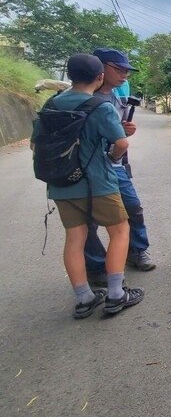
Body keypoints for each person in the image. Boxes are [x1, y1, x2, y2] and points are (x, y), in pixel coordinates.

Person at [42, 54, 144, 318]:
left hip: (62, 184)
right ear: (100, 77)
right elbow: (121, 144)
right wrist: (110, 159)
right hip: (98, 182)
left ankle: (84, 298)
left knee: (75, 238)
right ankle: (115, 294)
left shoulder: (51, 104)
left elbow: (35, 144)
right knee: (120, 231)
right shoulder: (100, 106)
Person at [84, 48, 156, 287]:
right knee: (88, 219)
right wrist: (118, 144)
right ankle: (96, 266)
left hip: (114, 166)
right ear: (100, 67)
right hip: (88, 168)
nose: (125, 74)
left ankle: (137, 251)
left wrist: (124, 132)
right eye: (119, 69)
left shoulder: (117, 98)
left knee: (133, 207)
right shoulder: (81, 97)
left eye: (127, 70)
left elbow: (119, 135)